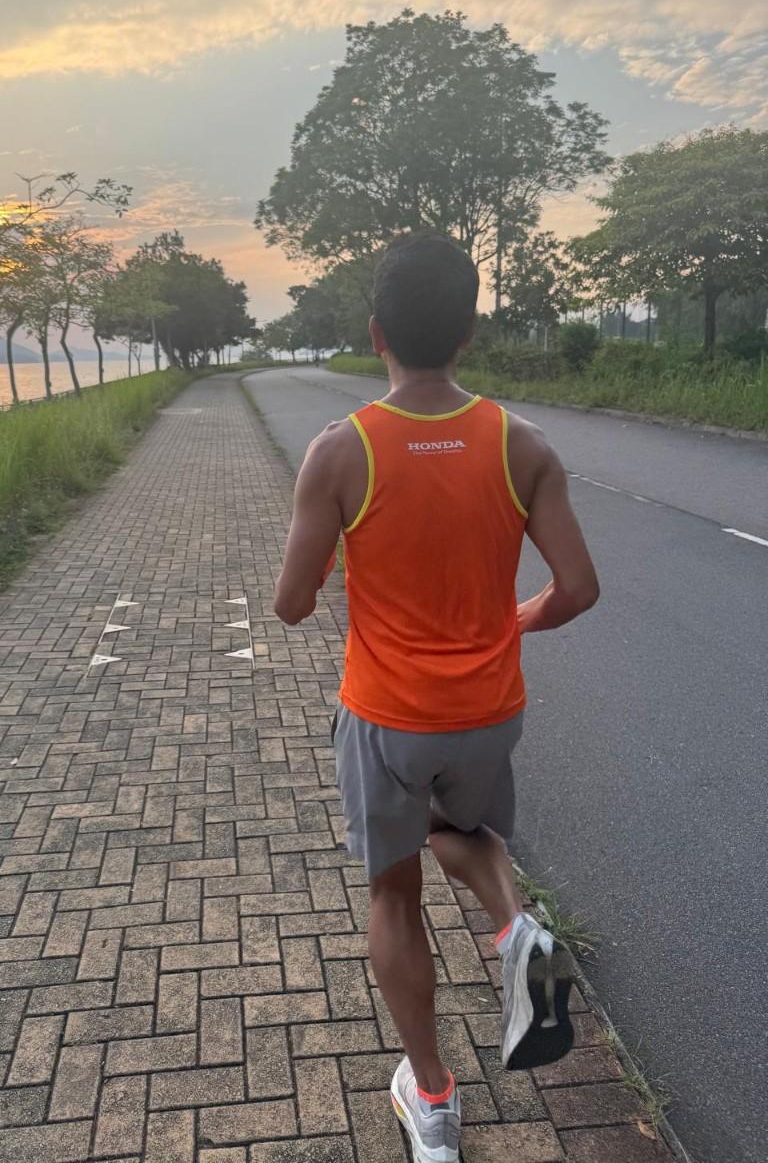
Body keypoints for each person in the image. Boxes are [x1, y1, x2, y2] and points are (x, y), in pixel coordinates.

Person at [273, 232, 600, 1163]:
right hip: (489, 712)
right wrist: (515, 620)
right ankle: (517, 928)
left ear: (376, 332)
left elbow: (291, 606)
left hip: (388, 715)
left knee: (394, 888)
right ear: (467, 332)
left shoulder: (341, 451)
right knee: (466, 830)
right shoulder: (521, 444)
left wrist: (340, 550)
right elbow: (579, 588)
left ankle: (433, 1100)